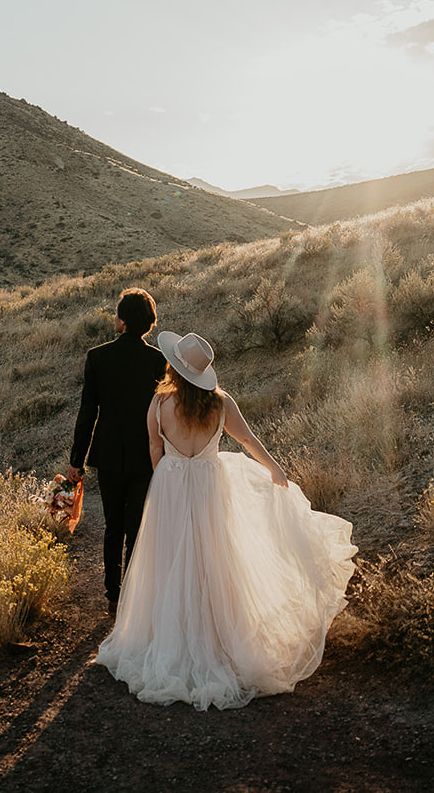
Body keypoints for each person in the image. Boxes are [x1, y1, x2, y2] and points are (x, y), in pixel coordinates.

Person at [94, 330, 358, 710]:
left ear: (174, 366)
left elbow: (154, 446)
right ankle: (217, 638)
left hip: (169, 485)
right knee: (213, 559)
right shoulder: (221, 404)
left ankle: (171, 637)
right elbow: (248, 441)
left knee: (170, 560)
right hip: (208, 486)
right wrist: (275, 468)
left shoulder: (159, 402)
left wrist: (166, 479)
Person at [69, 287, 166, 618]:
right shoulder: (156, 360)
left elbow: (88, 414)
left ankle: (114, 596)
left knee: (113, 525)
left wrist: (75, 462)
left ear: (123, 321)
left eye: (116, 314)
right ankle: (134, 595)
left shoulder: (97, 357)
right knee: (137, 527)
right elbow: (162, 414)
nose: (114, 318)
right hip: (146, 456)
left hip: (108, 455)